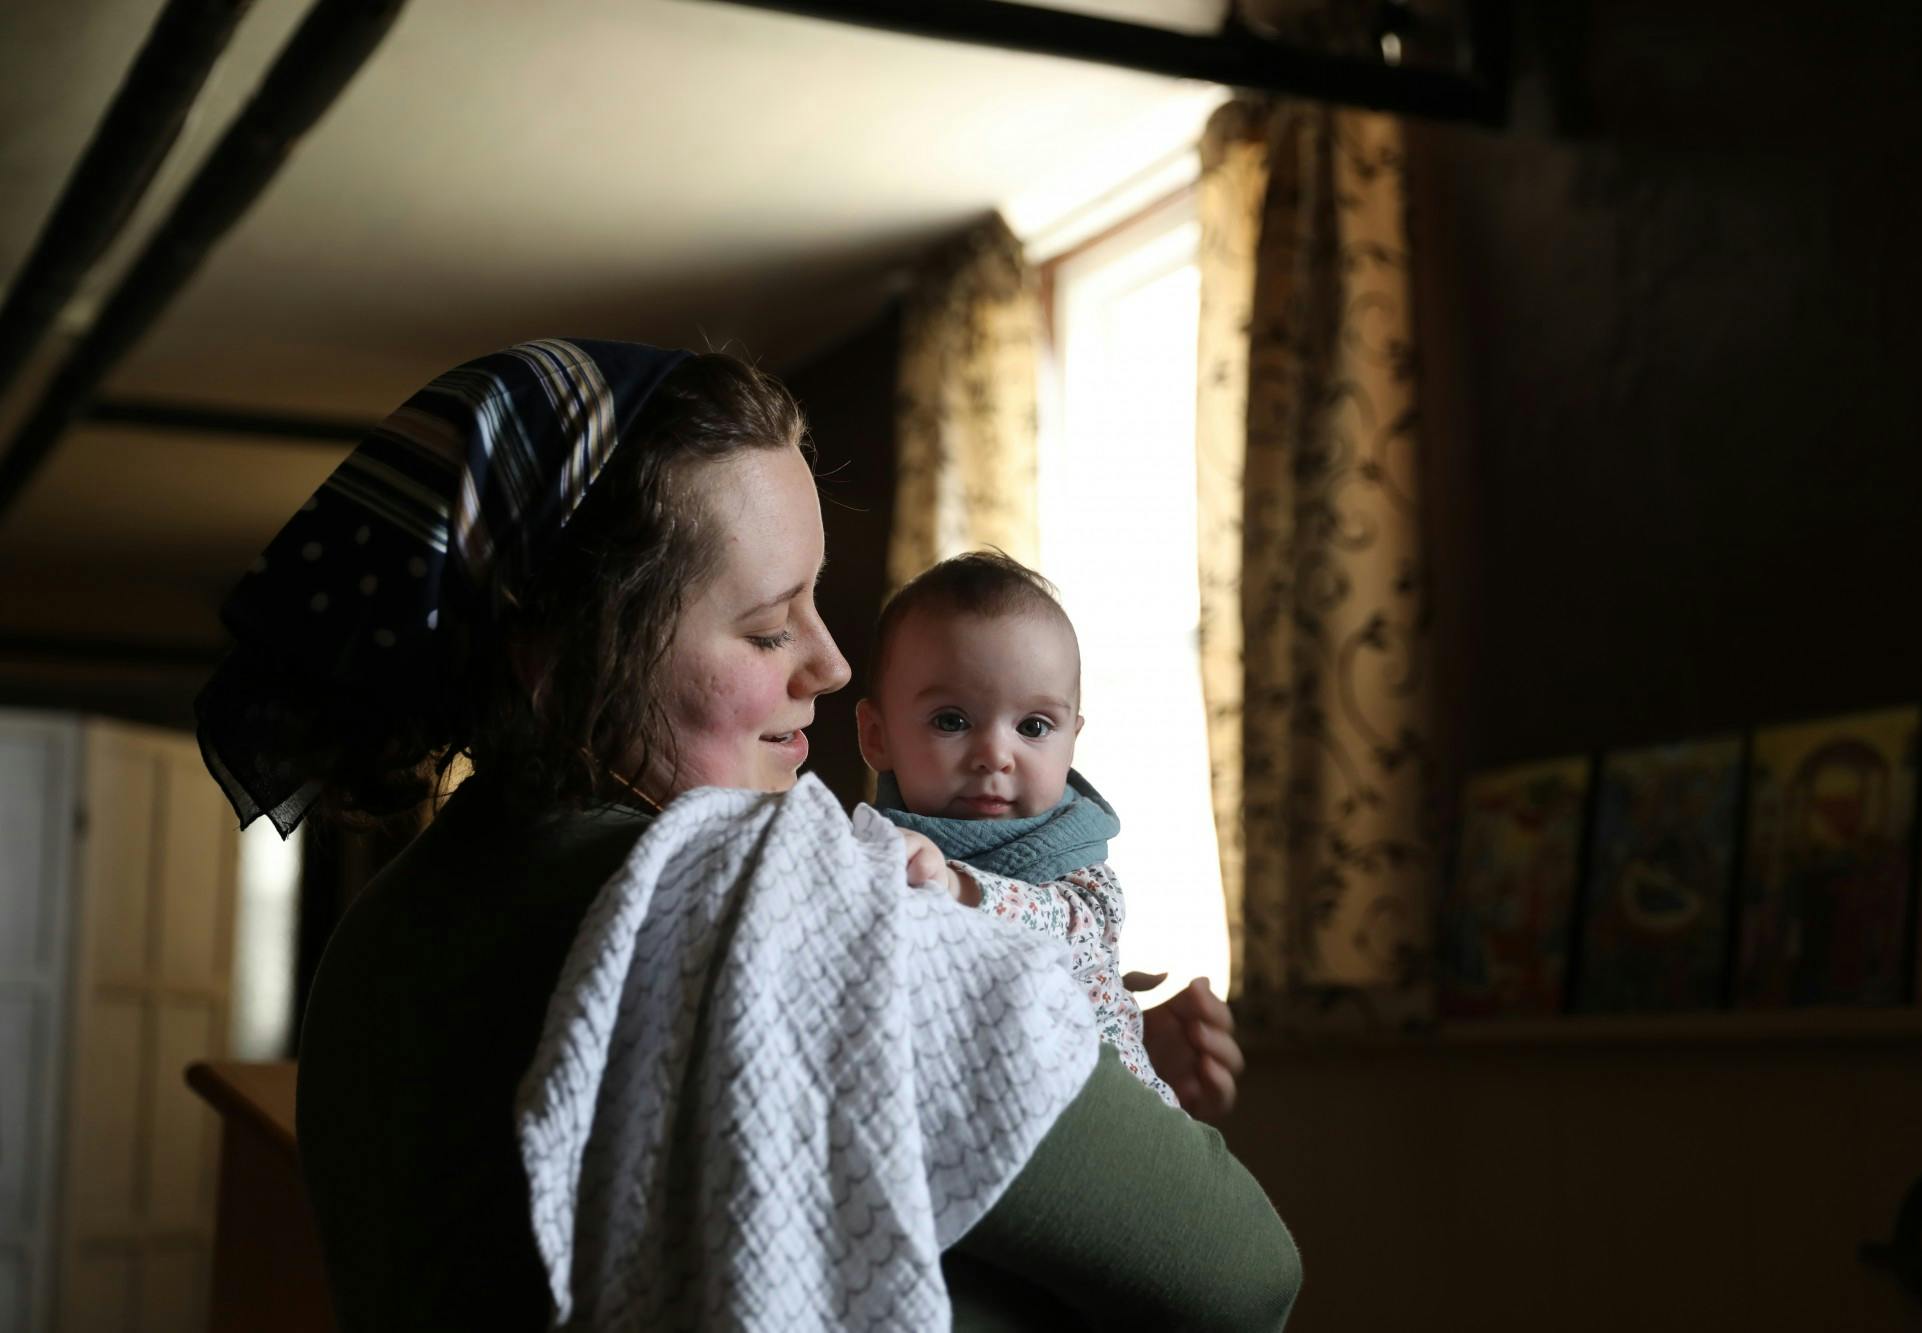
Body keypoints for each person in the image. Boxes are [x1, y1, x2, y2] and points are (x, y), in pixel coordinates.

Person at [195, 339, 1297, 1330]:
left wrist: (1081, 1043)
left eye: (813, 604)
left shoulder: (378, 938)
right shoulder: (782, 907)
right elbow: (1244, 1271)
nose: (830, 664)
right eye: (769, 625)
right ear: (558, 656)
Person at [860, 550, 1182, 1108]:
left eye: (1033, 726)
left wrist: (958, 888)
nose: (994, 756)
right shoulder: (872, 848)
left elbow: (1061, 928)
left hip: (1107, 1120)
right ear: (877, 736)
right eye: (951, 721)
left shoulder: (1077, 870)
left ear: (1072, 739)